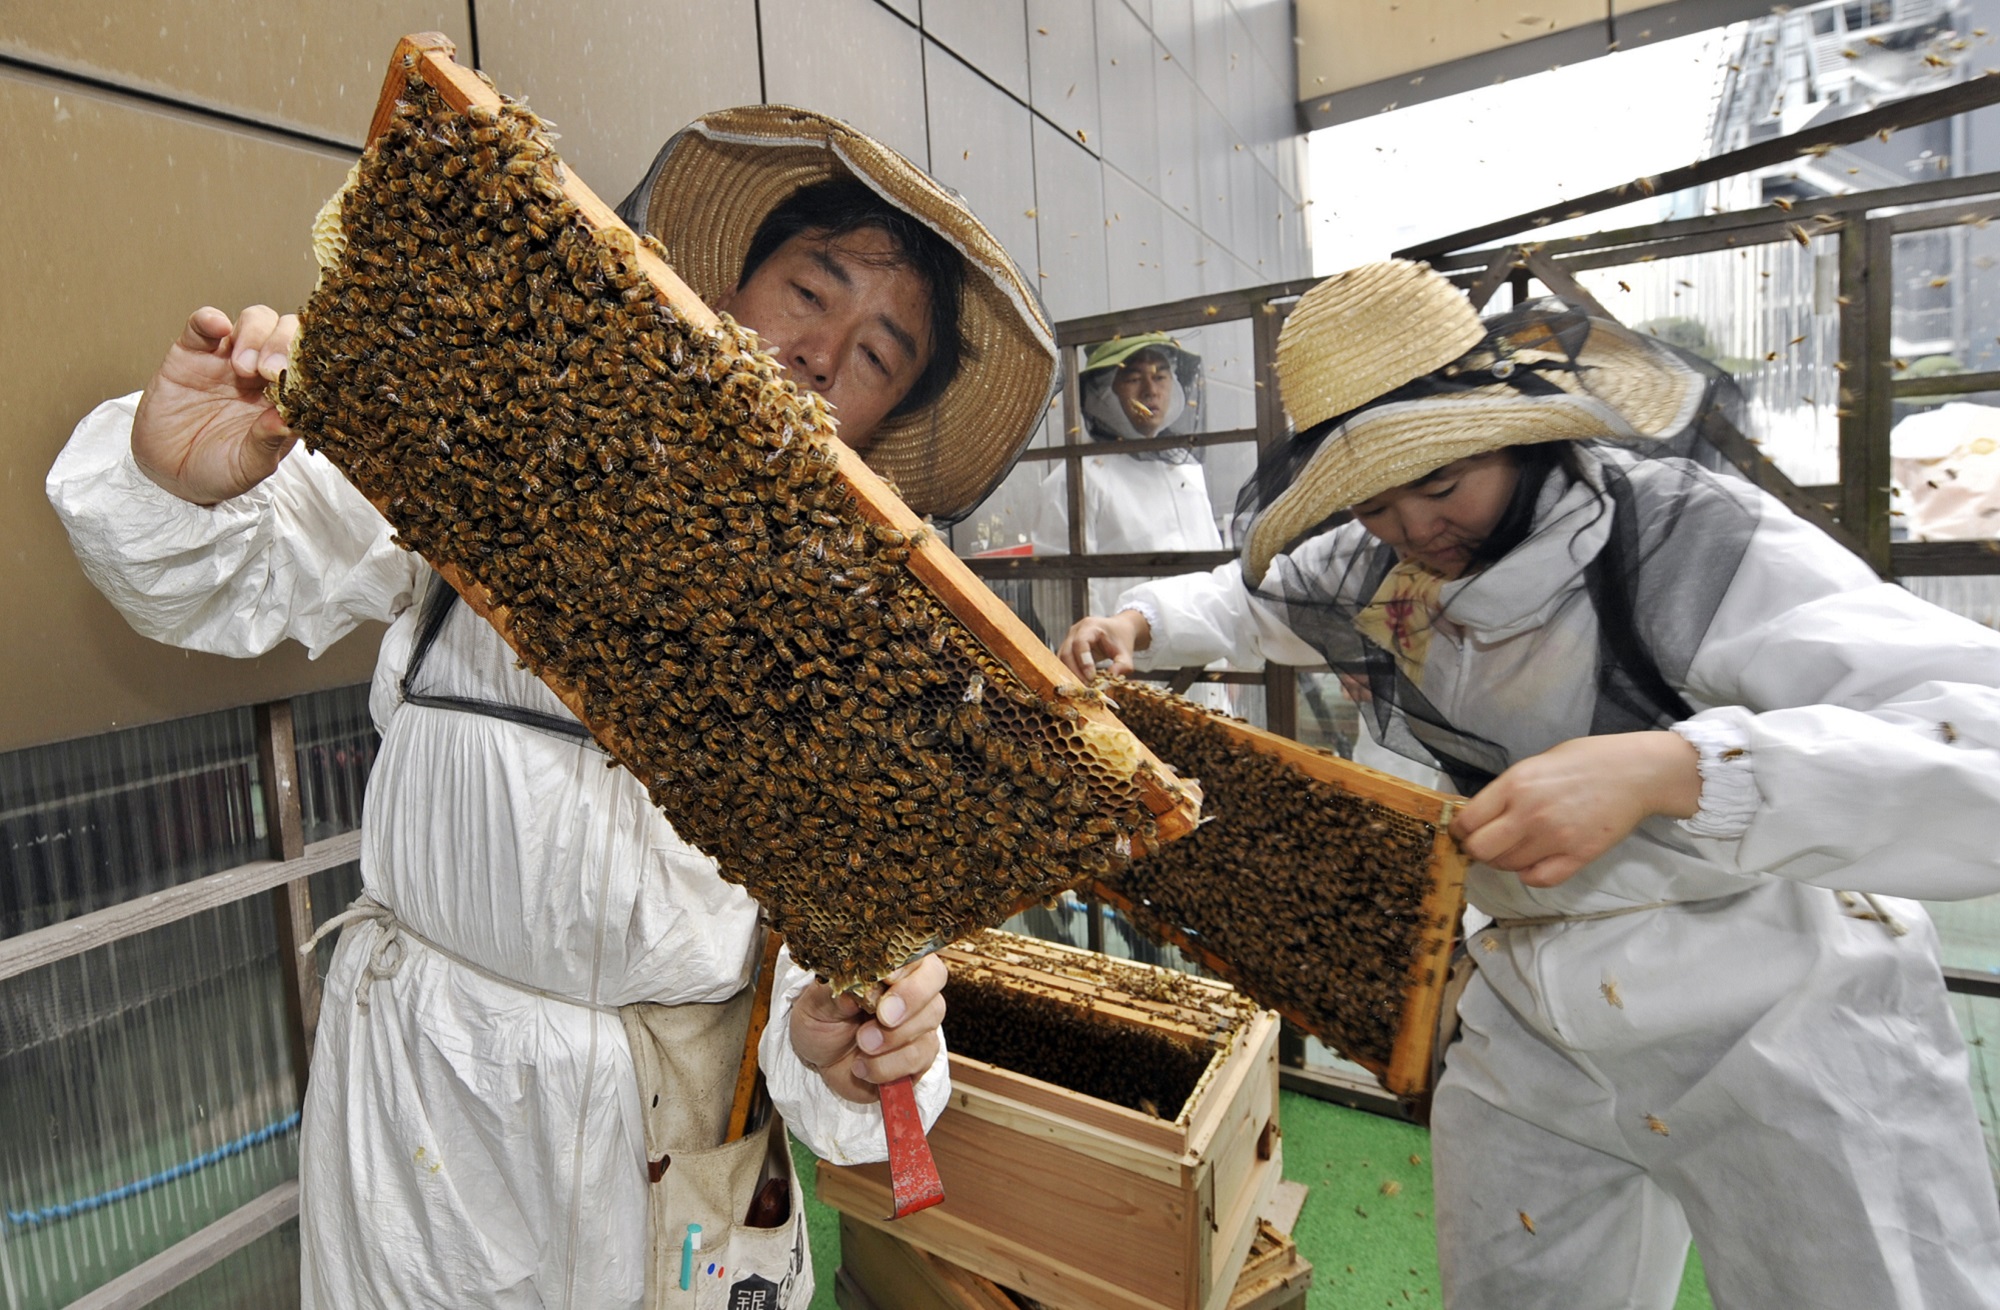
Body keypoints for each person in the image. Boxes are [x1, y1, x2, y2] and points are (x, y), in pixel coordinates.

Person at [47, 105, 1057, 1309]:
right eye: (808, 289)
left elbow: (838, 1010)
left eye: (879, 352)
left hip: (671, 1130)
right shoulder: (501, 452)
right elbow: (233, 577)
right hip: (425, 1099)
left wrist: (847, 1057)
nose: (822, 352)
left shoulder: (877, 651)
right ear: (725, 286)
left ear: (884, 421)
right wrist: (174, 482)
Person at [1059, 259, 2000, 1308]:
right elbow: (1248, 599)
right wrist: (1138, 620)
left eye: (1439, 480)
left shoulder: (1681, 536)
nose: (1414, 528)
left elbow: (1978, 733)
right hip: (1529, 1006)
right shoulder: (1374, 568)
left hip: (1772, 999)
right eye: (1372, 501)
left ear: (1511, 431)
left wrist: (1677, 768)